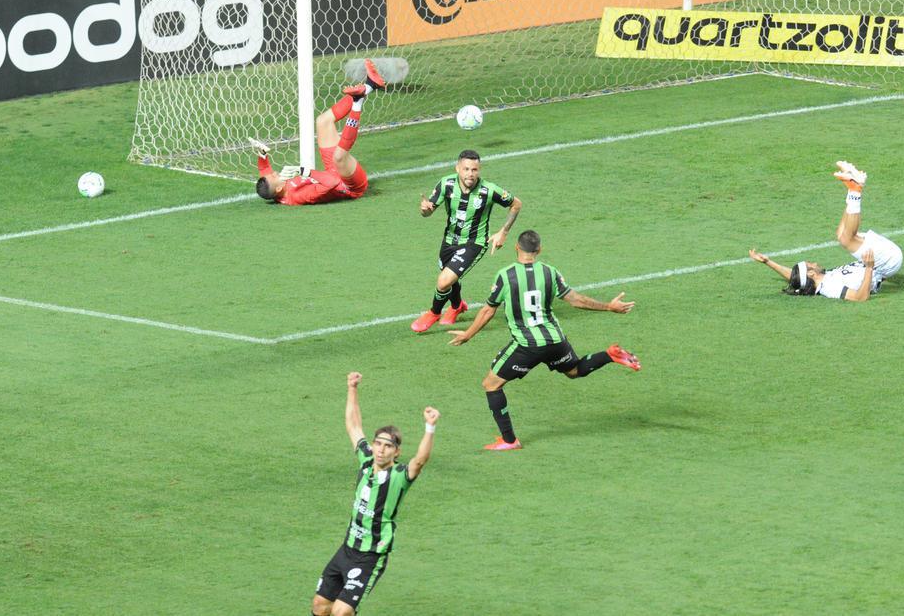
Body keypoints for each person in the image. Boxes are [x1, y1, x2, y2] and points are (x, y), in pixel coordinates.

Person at [448, 229, 640, 450]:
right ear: (539, 250)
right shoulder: (550, 272)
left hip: (527, 345)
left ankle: (509, 440)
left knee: (491, 384)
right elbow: (576, 300)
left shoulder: (506, 275)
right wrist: (609, 307)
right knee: (574, 370)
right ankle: (609, 355)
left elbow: (488, 311)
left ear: (516, 248)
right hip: (555, 340)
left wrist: (467, 334)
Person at [311, 372, 439, 616]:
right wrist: (351, 387)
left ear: (397, 452)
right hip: (347, 549)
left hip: (370, 556)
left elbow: (420, 461)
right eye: (378, 443)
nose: (381, 450)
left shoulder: (399, 476)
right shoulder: (366, 460)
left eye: (388, 446)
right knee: (320, 605)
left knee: (341, 612)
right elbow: (353, 424)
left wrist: (429, 426)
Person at [749, 160, 903, 302]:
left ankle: (852, 187)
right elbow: (859, 298)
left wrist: (768, 262)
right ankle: (855, 189)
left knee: (841, 234)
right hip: (883, 263)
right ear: (811, 273)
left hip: (879, 262)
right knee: (846, 240)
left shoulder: (821, 279)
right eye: (811, 264)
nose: (815, 263)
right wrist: (869, 267)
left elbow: (796, 277)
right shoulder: (829, 288)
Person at [410, 150, 522, 332]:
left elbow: (516, 204)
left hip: (474, 243)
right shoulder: (446, 184)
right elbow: (428, 211)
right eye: (466, 169)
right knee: (450, 277)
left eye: (474, 170)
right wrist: (425, 210)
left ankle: (433, 313)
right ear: (458, 169)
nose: (470, 173)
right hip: (449, 240)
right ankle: (457, 306)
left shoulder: (489, 190)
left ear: (479, 170)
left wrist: (504, 232)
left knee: (444, 281)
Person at [255, 60, 385, 206]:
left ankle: (370, 85)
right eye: (274, 176)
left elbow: (264, 170)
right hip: (349, 185)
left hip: (332, 171)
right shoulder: (299, 196)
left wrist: (262, 155)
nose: (275, 172)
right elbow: (333, 182)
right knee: (339, 157)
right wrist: (302, 171)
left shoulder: (273, 185)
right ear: (279, 189)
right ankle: (357, 101)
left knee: (323, 121)